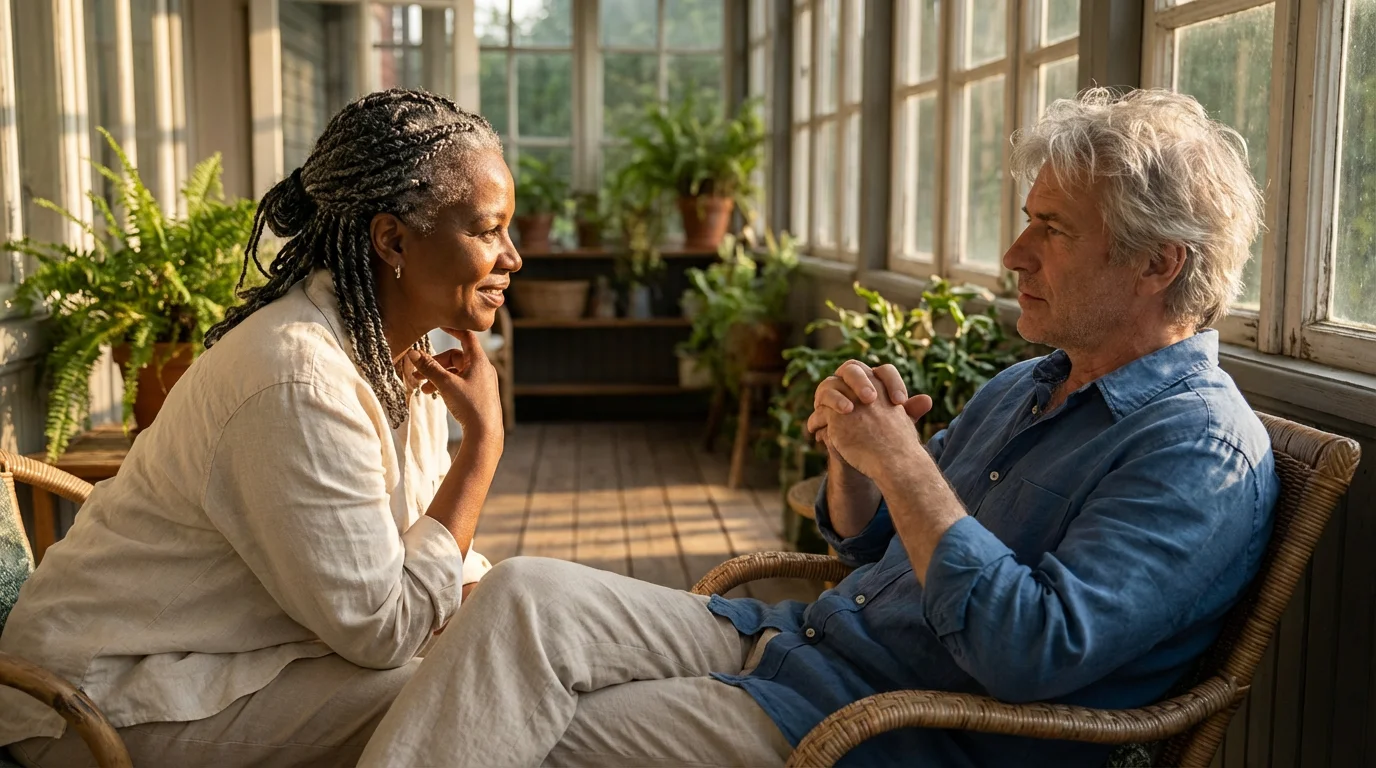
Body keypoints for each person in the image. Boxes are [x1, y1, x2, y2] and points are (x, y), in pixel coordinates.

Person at [355, 87, 1280, 768]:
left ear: (1158, 263)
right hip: (795, 644)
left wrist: (905, 465)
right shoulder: (1030, 385)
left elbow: (1031, 650)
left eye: (1054, 230)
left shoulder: (1198, 452)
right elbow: (868, 544)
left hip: (877, 728)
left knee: (527, 733)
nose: (1014, 254)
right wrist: (856, 462)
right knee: (521, 595)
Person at [0, 88, 520, 767]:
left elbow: (432, 559)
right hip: (105, 698)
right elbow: (384, 629)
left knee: (522, 665)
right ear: (392, 239)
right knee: (483, 703)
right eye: (488, 231)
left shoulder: (393, 354)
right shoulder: (298, 379)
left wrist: (506, 622)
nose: (512, 257)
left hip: (241, 663)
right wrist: (483, 446)